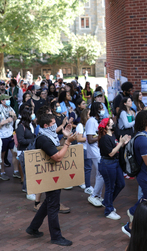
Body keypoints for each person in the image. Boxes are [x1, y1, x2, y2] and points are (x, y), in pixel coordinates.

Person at [25, 114, 77, 246]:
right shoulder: (44, 139)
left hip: (52, 175)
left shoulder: (48, 136)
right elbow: (58, 156)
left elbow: (55, 148)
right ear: (46, 126)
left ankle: (33, 227)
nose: (56, 125)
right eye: (53, 123)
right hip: (50, 176)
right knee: (53, 206)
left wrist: (65, 137)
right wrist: (68, 142)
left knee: (49, 202)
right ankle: (56, 236)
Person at [123, 111, 147, 238]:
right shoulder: (142, 139)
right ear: (146, 121)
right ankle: (133, 215)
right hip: (146, 176)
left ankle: (136, 225)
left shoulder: (145, 136)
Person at [98, 117, 130, 220]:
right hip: (107, 163)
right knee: (110, 187)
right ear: (107, 126)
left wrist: (123, 143)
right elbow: (111, 153)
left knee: (121, 184)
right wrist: (120, 143)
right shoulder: (104, 138)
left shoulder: (113, 135)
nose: (114, 125)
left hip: (115, 163)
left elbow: (116, 148)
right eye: (111, 124)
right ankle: (108, 210)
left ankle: (107, 202)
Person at [86, 102, 105, 207]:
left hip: (97, 151)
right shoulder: (91, 121)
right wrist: (101, 136)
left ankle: (97, 195)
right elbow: (89, 139)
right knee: (101, 173)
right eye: (100, 108)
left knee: (100, 173)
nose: (102, 110)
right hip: (94, 151)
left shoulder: (96, 121)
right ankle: (94, 195)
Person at [16, 105, 37, 200]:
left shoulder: (31, 125)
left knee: (29, 171)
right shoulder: (21, 126)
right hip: (24, 152)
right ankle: (29, 192)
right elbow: (20, 140)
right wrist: (32, 141)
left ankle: (26, 188)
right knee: (28, 172)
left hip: (30, 151)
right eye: (30, 114)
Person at [0, 93, 16, 180]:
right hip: (2, 136)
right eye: (6, 99)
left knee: (15, 152)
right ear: (2, 101)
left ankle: (16, 171)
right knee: (2, 155)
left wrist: (14, 115)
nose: (8, 101)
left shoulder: (11, 109)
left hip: (11, 134)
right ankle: (2, 172)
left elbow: (15, 119)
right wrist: (3, 122)